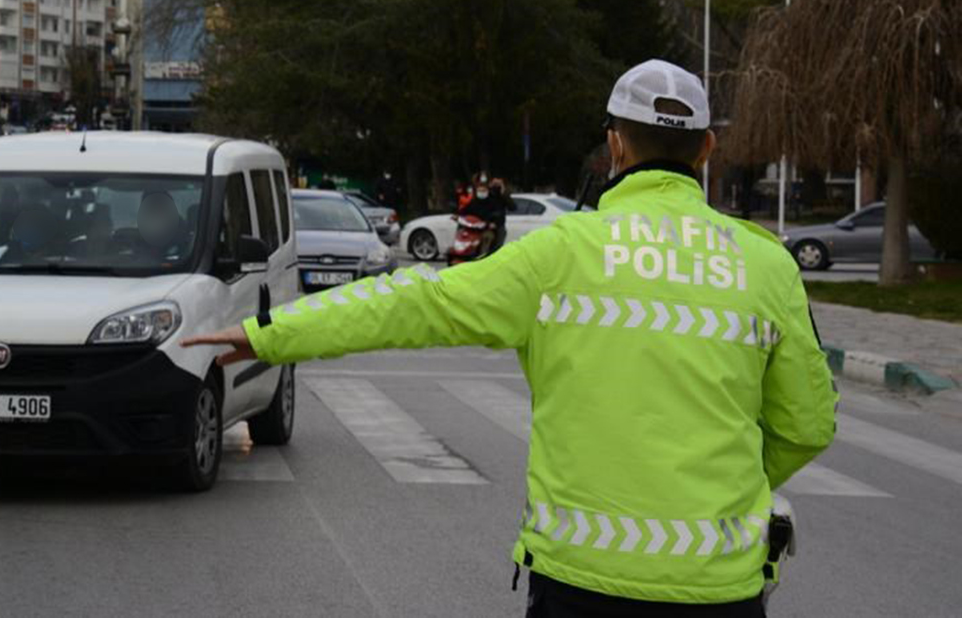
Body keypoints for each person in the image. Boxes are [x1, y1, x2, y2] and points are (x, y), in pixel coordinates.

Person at [184, 59, 837, 616]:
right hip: (719, 587)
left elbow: (417, 302)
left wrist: (267, 334)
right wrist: (721, 492)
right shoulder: (767, 264)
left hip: (581, 582)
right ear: (706, 149)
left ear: (614, 146)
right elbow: (807, 424)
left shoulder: (562, 252)